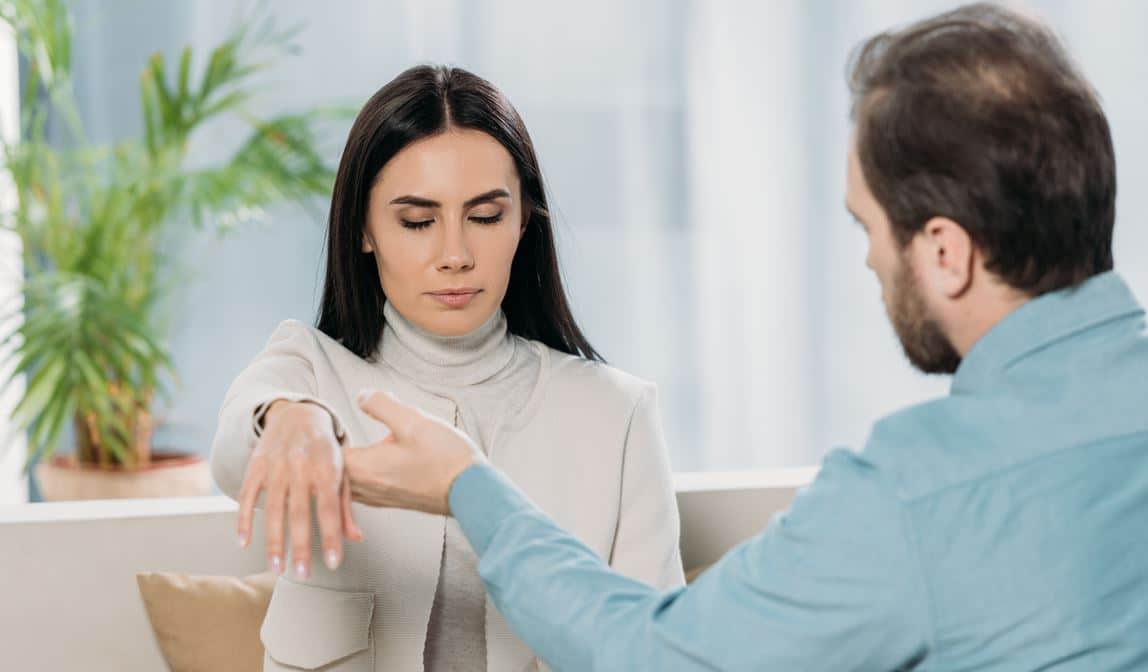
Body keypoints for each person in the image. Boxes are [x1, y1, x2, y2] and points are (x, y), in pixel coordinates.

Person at [340, 5, 1148, 670]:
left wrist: (469, 489)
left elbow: (656, 657)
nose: (868, 258)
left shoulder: (913, 494)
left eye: (867, 227)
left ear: (944, 251)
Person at [210, 65, 683, 671]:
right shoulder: (306, 370)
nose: (455, 255)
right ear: (363, 229)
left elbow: (655, 654)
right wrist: (288, 421)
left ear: (523, 223)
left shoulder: (618, 414)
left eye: (485, 217)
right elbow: (233, 455)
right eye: (417, 222)